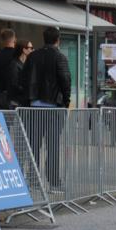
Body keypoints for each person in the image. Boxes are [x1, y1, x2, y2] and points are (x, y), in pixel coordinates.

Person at [22, 28, 70, 187]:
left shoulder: (32, 56)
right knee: (53, 145)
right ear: (58, 39)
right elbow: (65, 79)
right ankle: (54, 180)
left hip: (34, 105)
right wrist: (66, 101)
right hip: (53, 106)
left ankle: (34, 179)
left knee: (34, 144)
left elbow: (25, 78)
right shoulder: (60, 57)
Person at [5, 40, 33, 109]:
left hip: (22, 101)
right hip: (15, 102)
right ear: (24, 49)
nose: (32, 50)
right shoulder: (14, 64)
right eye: (31, 48)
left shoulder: (26, 64)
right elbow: (14, 84)